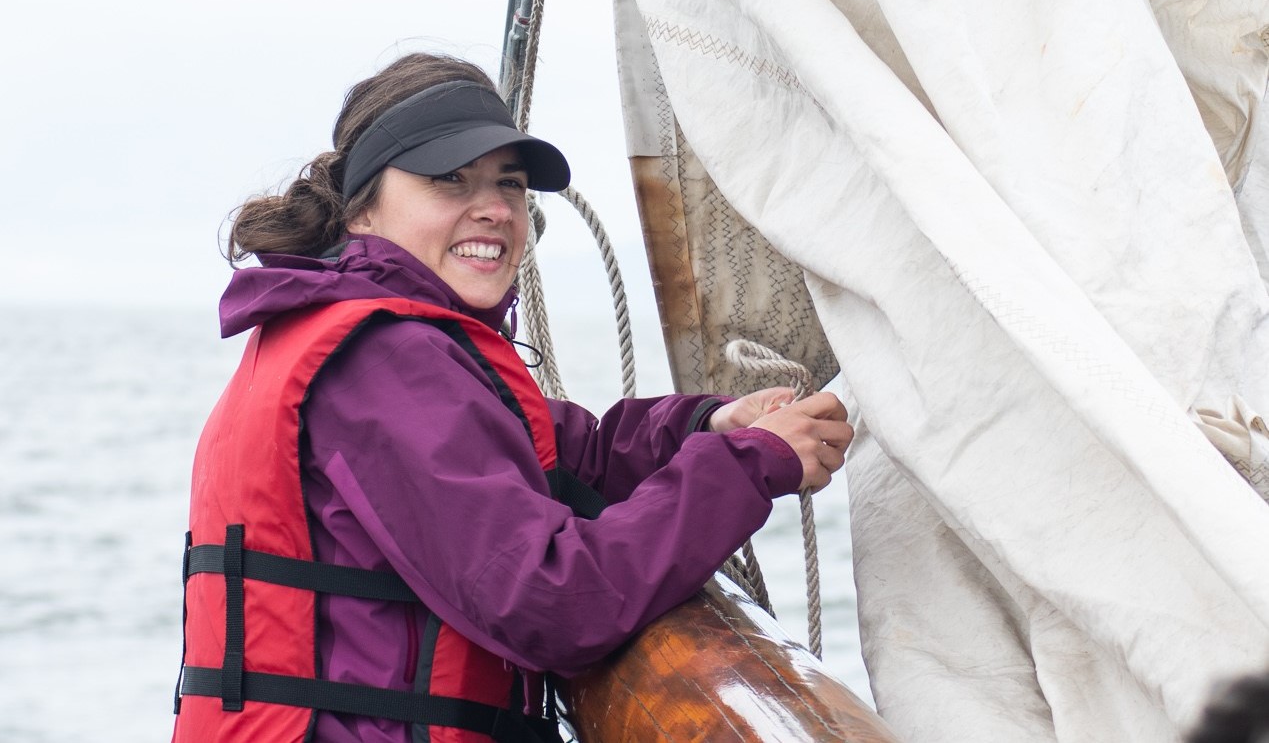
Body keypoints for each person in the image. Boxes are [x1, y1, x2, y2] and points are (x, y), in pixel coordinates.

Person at [171, 52, 853, 743]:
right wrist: (746, 466)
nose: (494, 208)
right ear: (363, 208)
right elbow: (554, 603)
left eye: (510, 184)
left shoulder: (357, 330)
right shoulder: (386, 360)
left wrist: (711, 423)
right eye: (449, 180)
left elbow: (563, 453)